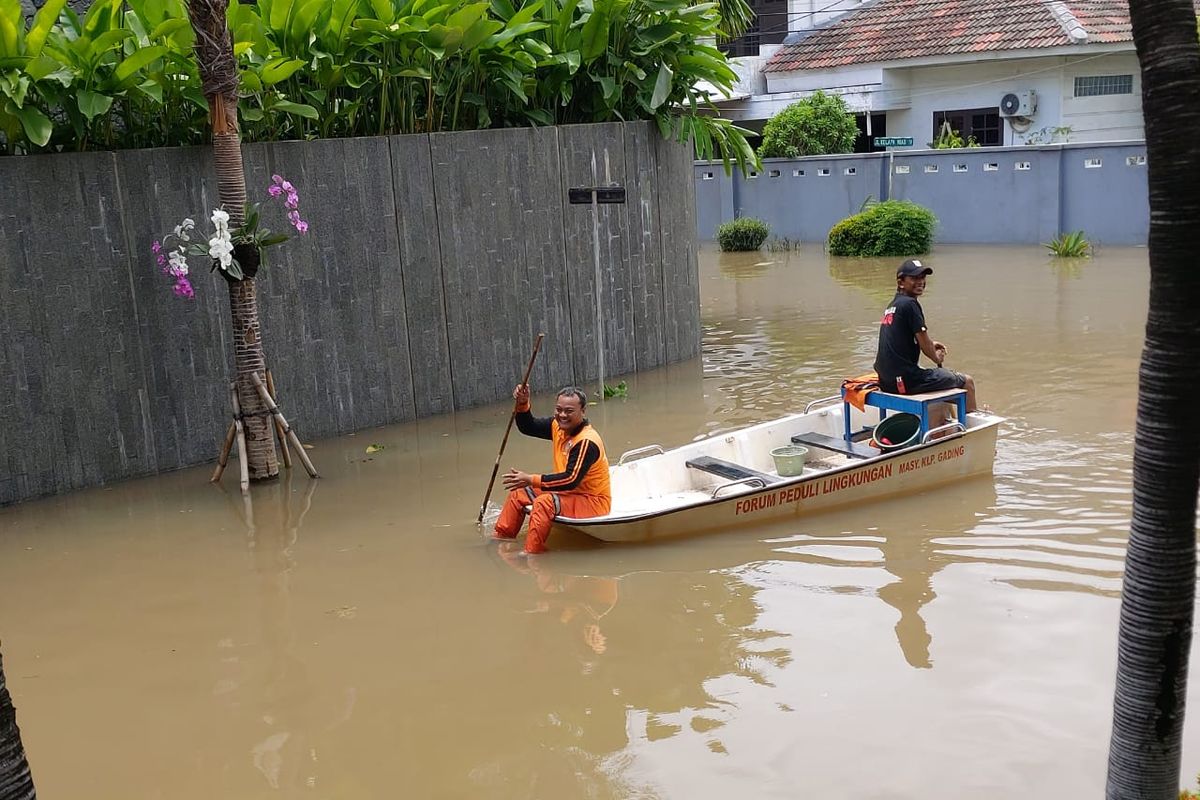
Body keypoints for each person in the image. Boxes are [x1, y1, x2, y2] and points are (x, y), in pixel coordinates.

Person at [492, 385, 611, 554]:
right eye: (559, 409)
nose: (562, 415)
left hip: (592, 501)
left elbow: (570, 480)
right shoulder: (558, 426)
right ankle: (500, 539)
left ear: (583, 411)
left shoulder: (586, 441)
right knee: (519, 493)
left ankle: (532, 553)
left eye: (569, 411)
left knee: (544, 502)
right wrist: (523, 403)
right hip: (568, 494)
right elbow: (528, 427)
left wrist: (531, 478)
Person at [874, 258, 979, 413]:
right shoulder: (910, 304)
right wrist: (937, 357)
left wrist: (931, 343)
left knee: (938, 377)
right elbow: (926, 348)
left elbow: (905, 340)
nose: (921, 282)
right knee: (967, 382)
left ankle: (945, 422)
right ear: (901, 282)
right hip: (904, 382)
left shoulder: (893, 306)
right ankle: (972, 429)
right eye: (914, 278)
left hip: (886, 380)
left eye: (922, 277)